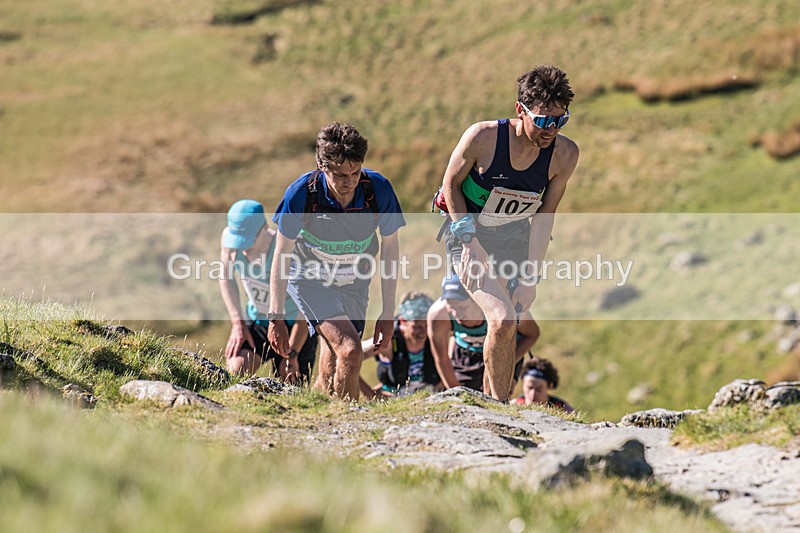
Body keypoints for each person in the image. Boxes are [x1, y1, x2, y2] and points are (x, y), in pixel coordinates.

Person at [436, 64, 579, 401]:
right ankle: (498, 409)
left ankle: (493, 401)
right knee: (501, 319)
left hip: (514, 238)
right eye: (543, 120)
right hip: (466, 231)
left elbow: (545, 216)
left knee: (509, 324)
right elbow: (450, 184)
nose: (551, 130)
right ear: (520, 111)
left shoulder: (565, 154)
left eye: (561, 120)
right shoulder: (483, 138)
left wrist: (531, 275)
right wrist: (468, 242)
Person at [268, 123, 405, 400]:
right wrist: (276, 316)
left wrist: (388, 311)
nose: (349, 182)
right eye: (340, 175)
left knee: (335, 355)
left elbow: (391, 251)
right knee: (350, 349)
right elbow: (281, 255)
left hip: (354, 280)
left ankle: (321, 405)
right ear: (322, 166)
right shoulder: (301, 194)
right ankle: (349, 422)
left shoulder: (377, 190)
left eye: (355, 172)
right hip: (309, 279)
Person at [218, 199, 318, 379]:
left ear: (264, 228)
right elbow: (225, 279)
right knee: (235, 369)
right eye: (238, 241)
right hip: (258, 319)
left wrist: (292, 354)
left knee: (290, 382)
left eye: (248, 241)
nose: (243, 248)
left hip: (293, 324)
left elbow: (307, 308)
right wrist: (237, 324)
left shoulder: (291, 250)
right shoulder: (229, 241)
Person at [427, 275, 540, 394]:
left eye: (462, 307)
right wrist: (456, 392)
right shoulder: (438, 315)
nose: (455, 313)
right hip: (466, 353)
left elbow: (532, 334)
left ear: (477, 300)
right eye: (451, 305)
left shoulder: (503, 308)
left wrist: (508, 363)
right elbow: (441, 358)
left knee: (497, 395)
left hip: (504, 351)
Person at [359, 291, 441, 398]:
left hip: (431, 396)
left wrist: (443, 383)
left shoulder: (437, 333)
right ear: (403, 321)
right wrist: (371, 394)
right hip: (395, 398)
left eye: (427, 325)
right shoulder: (387, 339)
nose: (423, 333)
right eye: (417, 327)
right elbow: (350, 357)